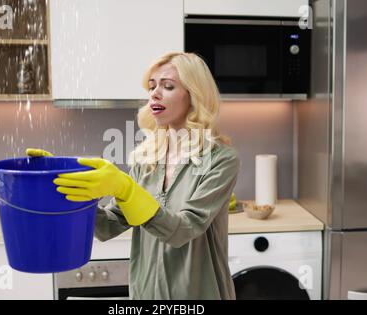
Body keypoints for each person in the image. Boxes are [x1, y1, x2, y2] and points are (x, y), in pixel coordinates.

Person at [27, 52, 240, 300]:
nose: (155, 93)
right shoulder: (146, 159)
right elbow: (107, 226)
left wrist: (127, 189)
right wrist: (64, 184)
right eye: (152, 86)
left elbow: (183, 230)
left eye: (168, 86)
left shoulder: (221, 160)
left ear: (195, 96)